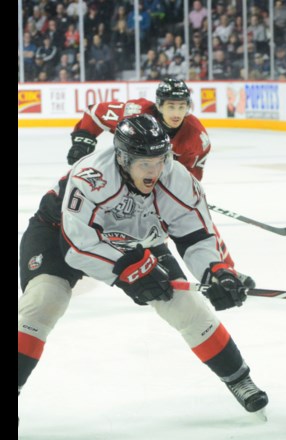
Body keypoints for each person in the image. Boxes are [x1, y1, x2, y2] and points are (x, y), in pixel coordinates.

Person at [18, 115, 268, 416]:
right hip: (60, 233)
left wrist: (216, 270)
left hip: (138, 240)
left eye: (160, 160)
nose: (155, 171)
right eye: (145, 164)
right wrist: (128, 272)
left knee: (186, 306)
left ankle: (240, 380)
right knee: (45, 300)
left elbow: (197, 234)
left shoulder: (177, 178)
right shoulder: (91, 176)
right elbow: (77, 246)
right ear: (123, 159)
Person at [66, 77, 237, 266]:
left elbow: (190, 176)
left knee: (195, 220)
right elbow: (94, 113)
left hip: (155, 180)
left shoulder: (196, 138)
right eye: (171, 106)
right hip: (123, 174)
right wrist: (83, 140)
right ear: (159, 105)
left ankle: (224, 268)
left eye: (182, 107)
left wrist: (185, 196)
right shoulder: (135, 113)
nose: (177, 113)